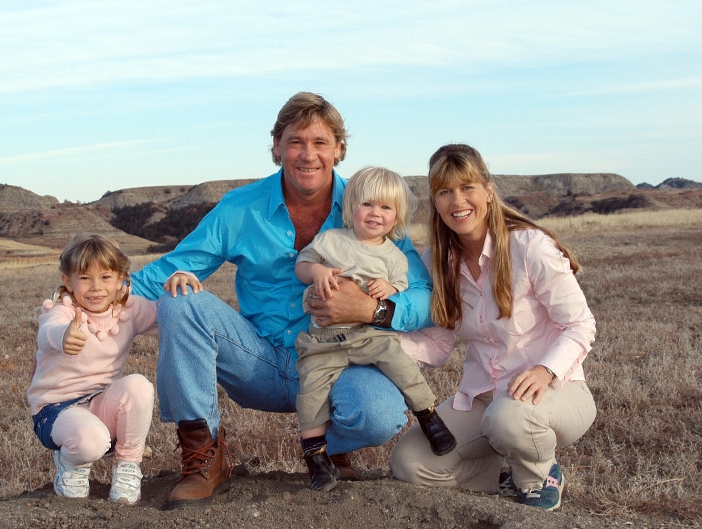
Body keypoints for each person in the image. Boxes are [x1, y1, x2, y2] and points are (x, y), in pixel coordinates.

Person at [130, 92, 433, 510]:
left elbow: (423, 295)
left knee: (380, 414)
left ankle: (326, 450)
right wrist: (87, 295)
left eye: (320, 142)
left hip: (341, 359)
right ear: (276, 146)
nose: (308, 155)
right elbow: (170, 268)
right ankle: (204, 457)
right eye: (295, 142)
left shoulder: (371, 205)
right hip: (260, 361)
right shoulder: (240, 207)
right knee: (179, 301)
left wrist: (372, 309)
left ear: (339, 149)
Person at [388, 144, 597, 512]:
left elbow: (580, 325)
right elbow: (437, 344)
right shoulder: (435, 261)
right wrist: (377, 343)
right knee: (410, 462)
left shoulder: (530, 247)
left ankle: (540, 477)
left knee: (509, 418)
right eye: (445, 191)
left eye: (467, 187)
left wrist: (545, 370)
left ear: (488, 190)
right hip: (483, 398)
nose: (458, 201)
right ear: (435, 202)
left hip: (555, 391)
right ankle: (504, 476)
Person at [294, 166, 455, 492]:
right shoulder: (330, 240)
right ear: (351, 206)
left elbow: (402, 286)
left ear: (397, 216)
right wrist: (316, 272)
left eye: (385, 207)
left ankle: (429, 416)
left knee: (400, 364)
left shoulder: (395, 256)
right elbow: (302, 265)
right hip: (322, 339)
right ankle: (317, 459)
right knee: (310, 392)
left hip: (368, 334)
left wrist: (388, 288)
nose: (375, 213)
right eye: (367, 204)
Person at [28, 234, 172, 504]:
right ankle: (71, 464)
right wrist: (64, 336)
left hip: (101, 404)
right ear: (68, 281)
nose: (96, 287)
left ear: (120, 280)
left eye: (105, 277)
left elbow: (170, 317)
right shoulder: (62, 311)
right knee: (91, 440)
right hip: (56, 411)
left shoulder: (128, 310)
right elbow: (48, 332)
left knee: (139, 386)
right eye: (85, 278)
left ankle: (128, 466)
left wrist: (182, 285)